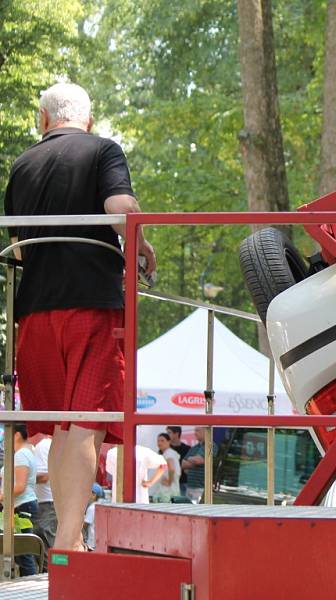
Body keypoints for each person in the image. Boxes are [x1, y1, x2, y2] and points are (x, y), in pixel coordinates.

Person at [3, 82, 156, 551]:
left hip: (34, 315)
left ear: (43, 119)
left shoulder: (21, 165)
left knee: (64, 426)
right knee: (85, 423)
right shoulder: (103, 150)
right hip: (92, 305)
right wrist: (141, 246)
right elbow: (120, 208)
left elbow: (22, 248)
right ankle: (70, 543)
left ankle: (68, 542)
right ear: (87, 121)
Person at [0, 424, 40, 576]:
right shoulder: (22, 453)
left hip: (23, 507)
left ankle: (28, 584)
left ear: (16, 435)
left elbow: (20, 486)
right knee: (20, 551)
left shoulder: (21, 455)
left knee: (24, 551)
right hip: (19, 506)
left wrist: (2, 496)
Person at [32, 436, 57, 569]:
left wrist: (23, 477)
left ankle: (52, 574)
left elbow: (44, 476)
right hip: (51, 500)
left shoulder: (44, 445)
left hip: (47, 501)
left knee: (46, 542)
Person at [182, 427, 217, 503]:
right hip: (190, 487)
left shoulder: (211, 446)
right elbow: (183, 465)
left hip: (201, 488)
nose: (195, 433)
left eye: (197, 430)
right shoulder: (194, 447)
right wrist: (194, 461)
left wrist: (190, 459)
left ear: (205, 431)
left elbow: (198, 460)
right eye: (195, 430)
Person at [151, 433, 181, 502]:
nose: (159, 443)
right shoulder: (170, 453)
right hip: (171, 490)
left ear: (169, 441)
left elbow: (172, 468)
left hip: (167, 491)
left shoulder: (168, 453)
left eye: (162, 440)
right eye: (158, 441)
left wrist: (169, 482)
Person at [166, 426, 191, 496]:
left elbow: (190, 466)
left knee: (183, 505)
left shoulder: (187, 449)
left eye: (169, 433)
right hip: (169, 484)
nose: (167, 435)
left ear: (176, 434)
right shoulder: (164, 449)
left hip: (183, 483)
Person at [83, 483, 104, 551]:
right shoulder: (101, 505)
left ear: (94, 495)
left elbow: (85, 525)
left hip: (92, 543)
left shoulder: (92, 508)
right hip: (99, 542)